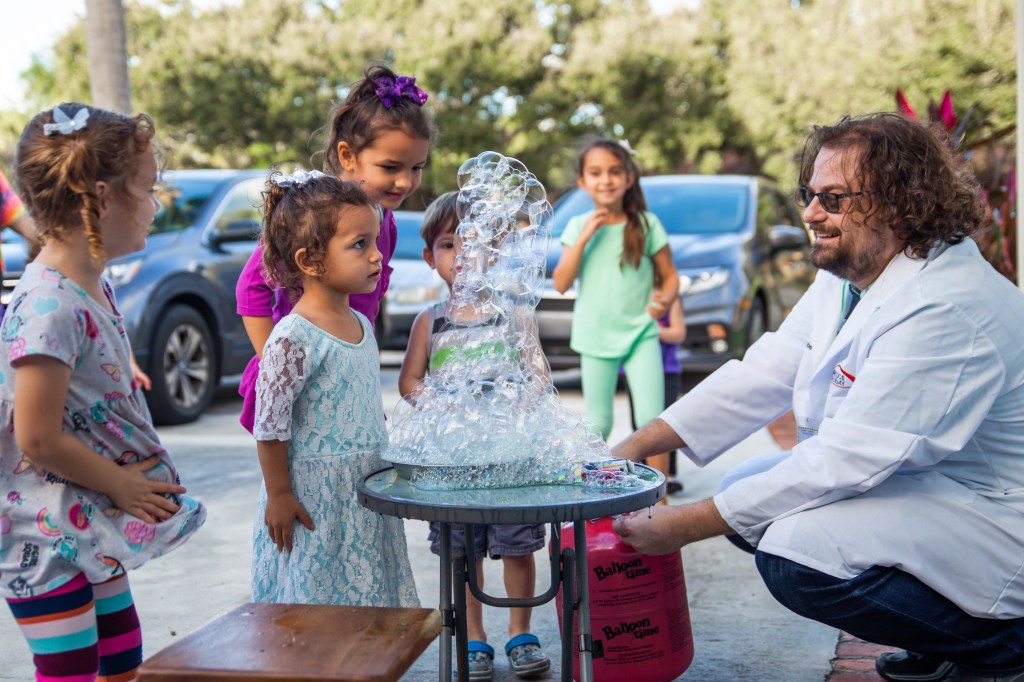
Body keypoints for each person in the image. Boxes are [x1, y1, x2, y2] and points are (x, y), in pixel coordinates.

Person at [611, 112, 1024, 682]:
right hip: (933, 490)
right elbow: (769, 370)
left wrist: (682, 526)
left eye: (832, 198)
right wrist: (632, 447)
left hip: (995, 516)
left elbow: (848, 459)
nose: (808, 213)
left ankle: (1001, 645)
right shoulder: (853, 273)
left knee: (793, 552)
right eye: (809, 194)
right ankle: (946, 635)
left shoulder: (947, 304)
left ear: (898, 203)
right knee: (744, 494)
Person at [1, 103, 206, 681]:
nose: (155, 205)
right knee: (71, 670)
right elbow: (36, 437)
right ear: (100, 199)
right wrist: (119, 481)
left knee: (121, 658)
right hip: (38, 534)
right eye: (146, 190)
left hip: (84, 517)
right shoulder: (49, 303)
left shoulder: (88, 280)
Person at [398, 192, 551, 681]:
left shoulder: (514, 317)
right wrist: (438, 406)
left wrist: (520, 406)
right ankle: (475, 637)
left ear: (497, 252)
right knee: (461, 554)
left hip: (510, 460)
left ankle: (520, 631)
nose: (464, 256)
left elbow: (538, 375)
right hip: (454, 462)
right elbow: (409, 382)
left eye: (476, 243)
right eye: (449, 245)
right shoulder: (430, 323)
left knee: (518, 546)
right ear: (430, 258)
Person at [236, 62, 434, 433]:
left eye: (417, 167)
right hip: (306, 382)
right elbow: (251, 287)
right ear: (347, 156)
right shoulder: (316, 213)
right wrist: (275, 369)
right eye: (390, 166)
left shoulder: (382, 220)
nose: (406, 181)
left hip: (346, 376)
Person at [250, 169, 417, 608]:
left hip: (363, 494)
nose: (377, 257)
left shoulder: (362, 323)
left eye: (375, 241)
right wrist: (279, 495)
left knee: (367, 605)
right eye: (359, 245)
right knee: (319, 608)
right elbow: (269, 428)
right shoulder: (293, 337)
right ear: (310, 261)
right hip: (314, 504)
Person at [552, 138, 680, 451]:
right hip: (595, 335)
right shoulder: (578, 225)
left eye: (614, 171)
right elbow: (560, 283)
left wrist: (662, 300)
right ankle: (592, 486)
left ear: (628, 178)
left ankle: (660, 495)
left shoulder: (647, 225)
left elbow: (670, 275)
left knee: (652, 419)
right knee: (599, 422)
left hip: (640, 333)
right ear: (583, 182)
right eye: (596, 173)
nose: (606, 180)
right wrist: (584, 238)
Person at [625, 280, 686, 494]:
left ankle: (667, 475)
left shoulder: (668, 297)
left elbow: (678, 332)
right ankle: (645, 471)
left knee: (665, 422)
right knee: (640, 422)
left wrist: (649, 329)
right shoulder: (629, 293)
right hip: (633, 370)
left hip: (665, 371)